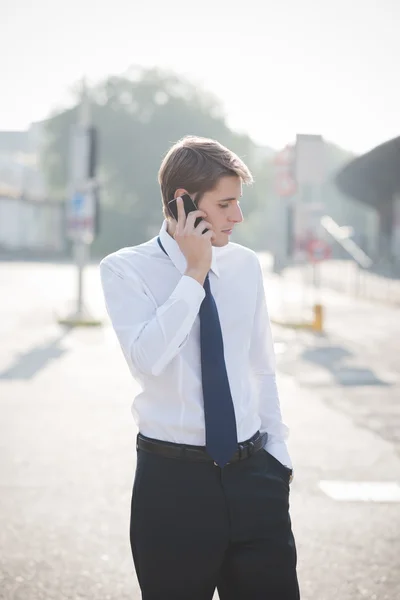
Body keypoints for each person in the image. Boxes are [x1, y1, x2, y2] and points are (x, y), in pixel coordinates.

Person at [100, 135, 300, 600]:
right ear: (184, 202)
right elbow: (149, 359)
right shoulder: (124, 269)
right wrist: (194, 272)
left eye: (238, 202)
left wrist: (279, 457)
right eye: (226, 203)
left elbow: (261, 366)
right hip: (173, 487)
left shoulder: (246, 265)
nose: (238, 216)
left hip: (256, 479)